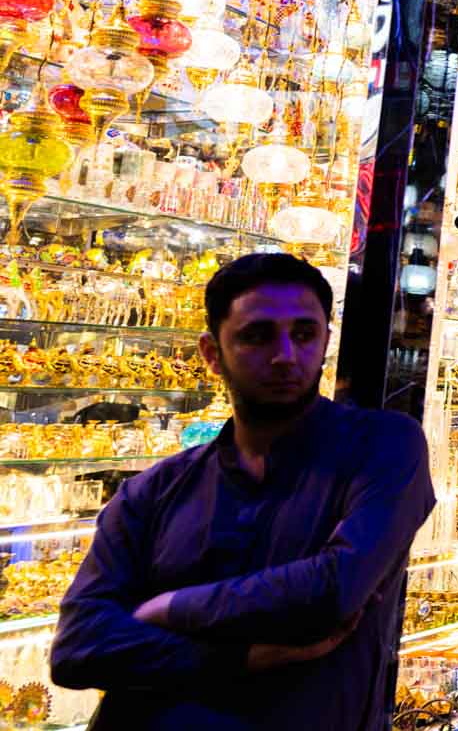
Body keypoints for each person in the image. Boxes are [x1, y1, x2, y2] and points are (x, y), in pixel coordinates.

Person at [51, 253, 436, 730]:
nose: (285, 356)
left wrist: (168, 608)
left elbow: (335, 590)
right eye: (257, 336)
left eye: (304, 334)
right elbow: (78, 648)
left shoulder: (383, 446)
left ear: (325, 343)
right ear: (212, 353)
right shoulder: (154, 491)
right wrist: (240, 657)